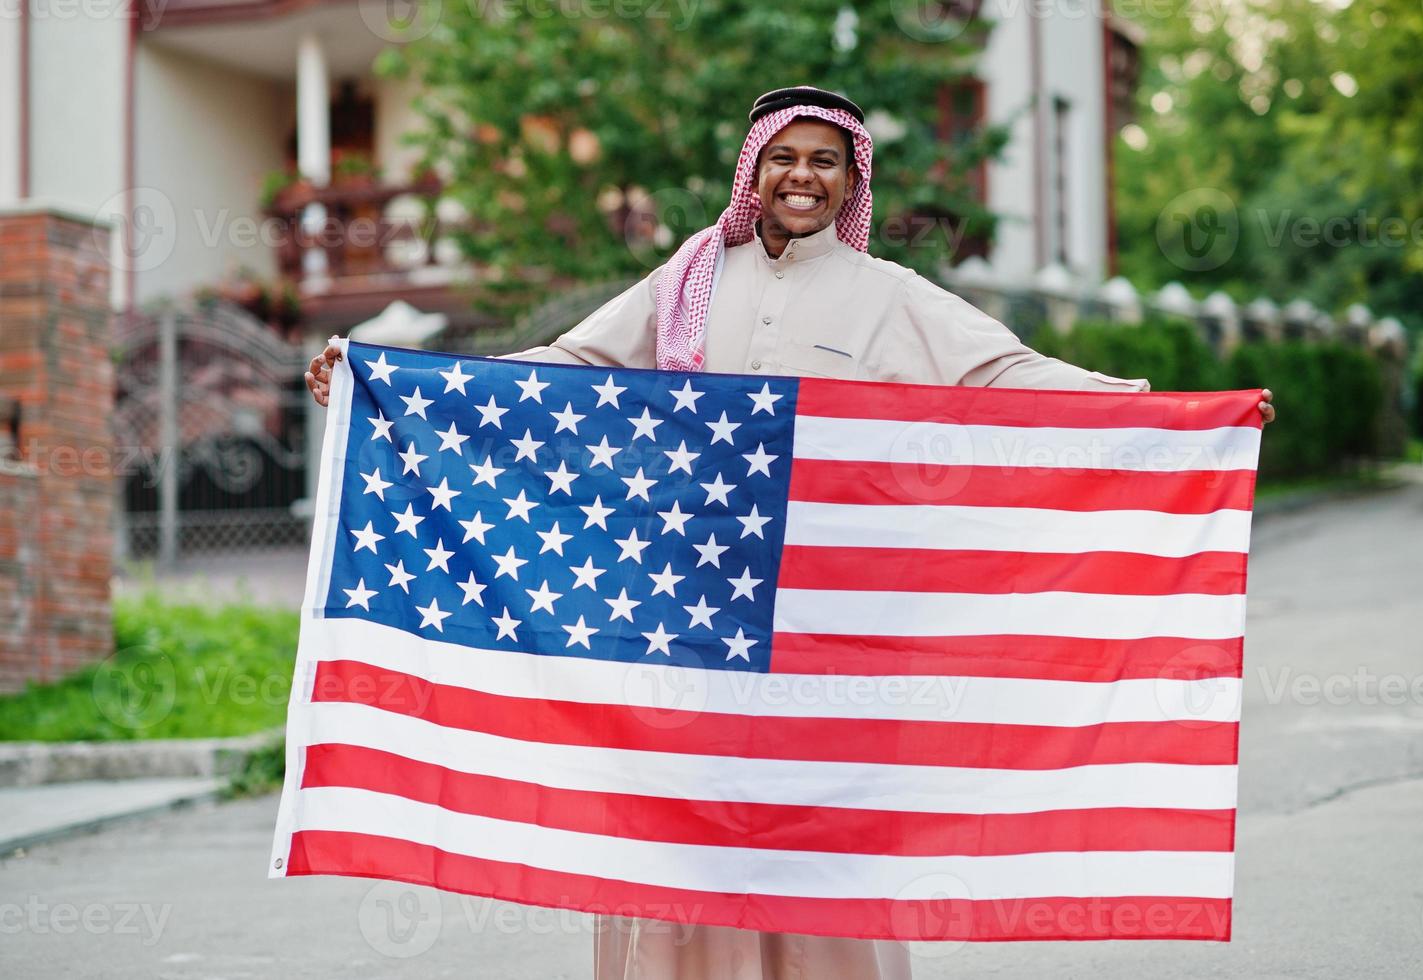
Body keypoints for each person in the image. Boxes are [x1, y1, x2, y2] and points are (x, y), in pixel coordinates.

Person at [305, 86, 1275, 979]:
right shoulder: (686, 282)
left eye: (824, 160)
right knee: (675, 828)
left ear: (851, 179)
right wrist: (382, 380)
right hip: (684, 617)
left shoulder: (887, 294)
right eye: (784, 156)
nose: (802, 175)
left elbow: (1006, 377)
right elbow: (565, 366)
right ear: (755, 171)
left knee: (814, 832)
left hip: (824, 627)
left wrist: (1177, 416)